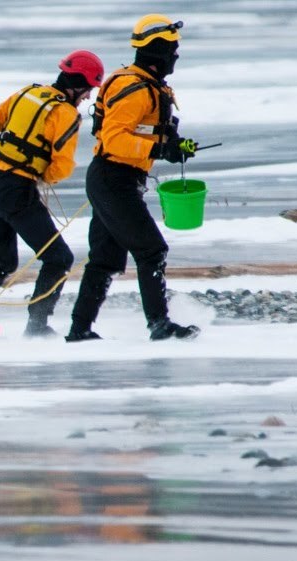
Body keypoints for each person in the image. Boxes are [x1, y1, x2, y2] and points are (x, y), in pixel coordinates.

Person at [0, 50, 105, 337]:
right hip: (17, 191)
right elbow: (60, 169)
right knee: (59, 258)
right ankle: (37, 325)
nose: (88, 97)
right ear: (77, 84)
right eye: (88, 89)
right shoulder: (66, 115)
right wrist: (41, 174)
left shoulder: (27, 93)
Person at [65, 15, 200, 342]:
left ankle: (79, 329)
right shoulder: (135, 89)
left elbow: (144, 135)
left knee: (106, 259)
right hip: (113, 179)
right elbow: (115, 139)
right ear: (158, 50)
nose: (176, 56)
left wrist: (173, 146)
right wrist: (161, 147)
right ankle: (159, 324)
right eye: (173, 49)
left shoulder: (147, 85)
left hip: (114, 178)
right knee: (152, 250)